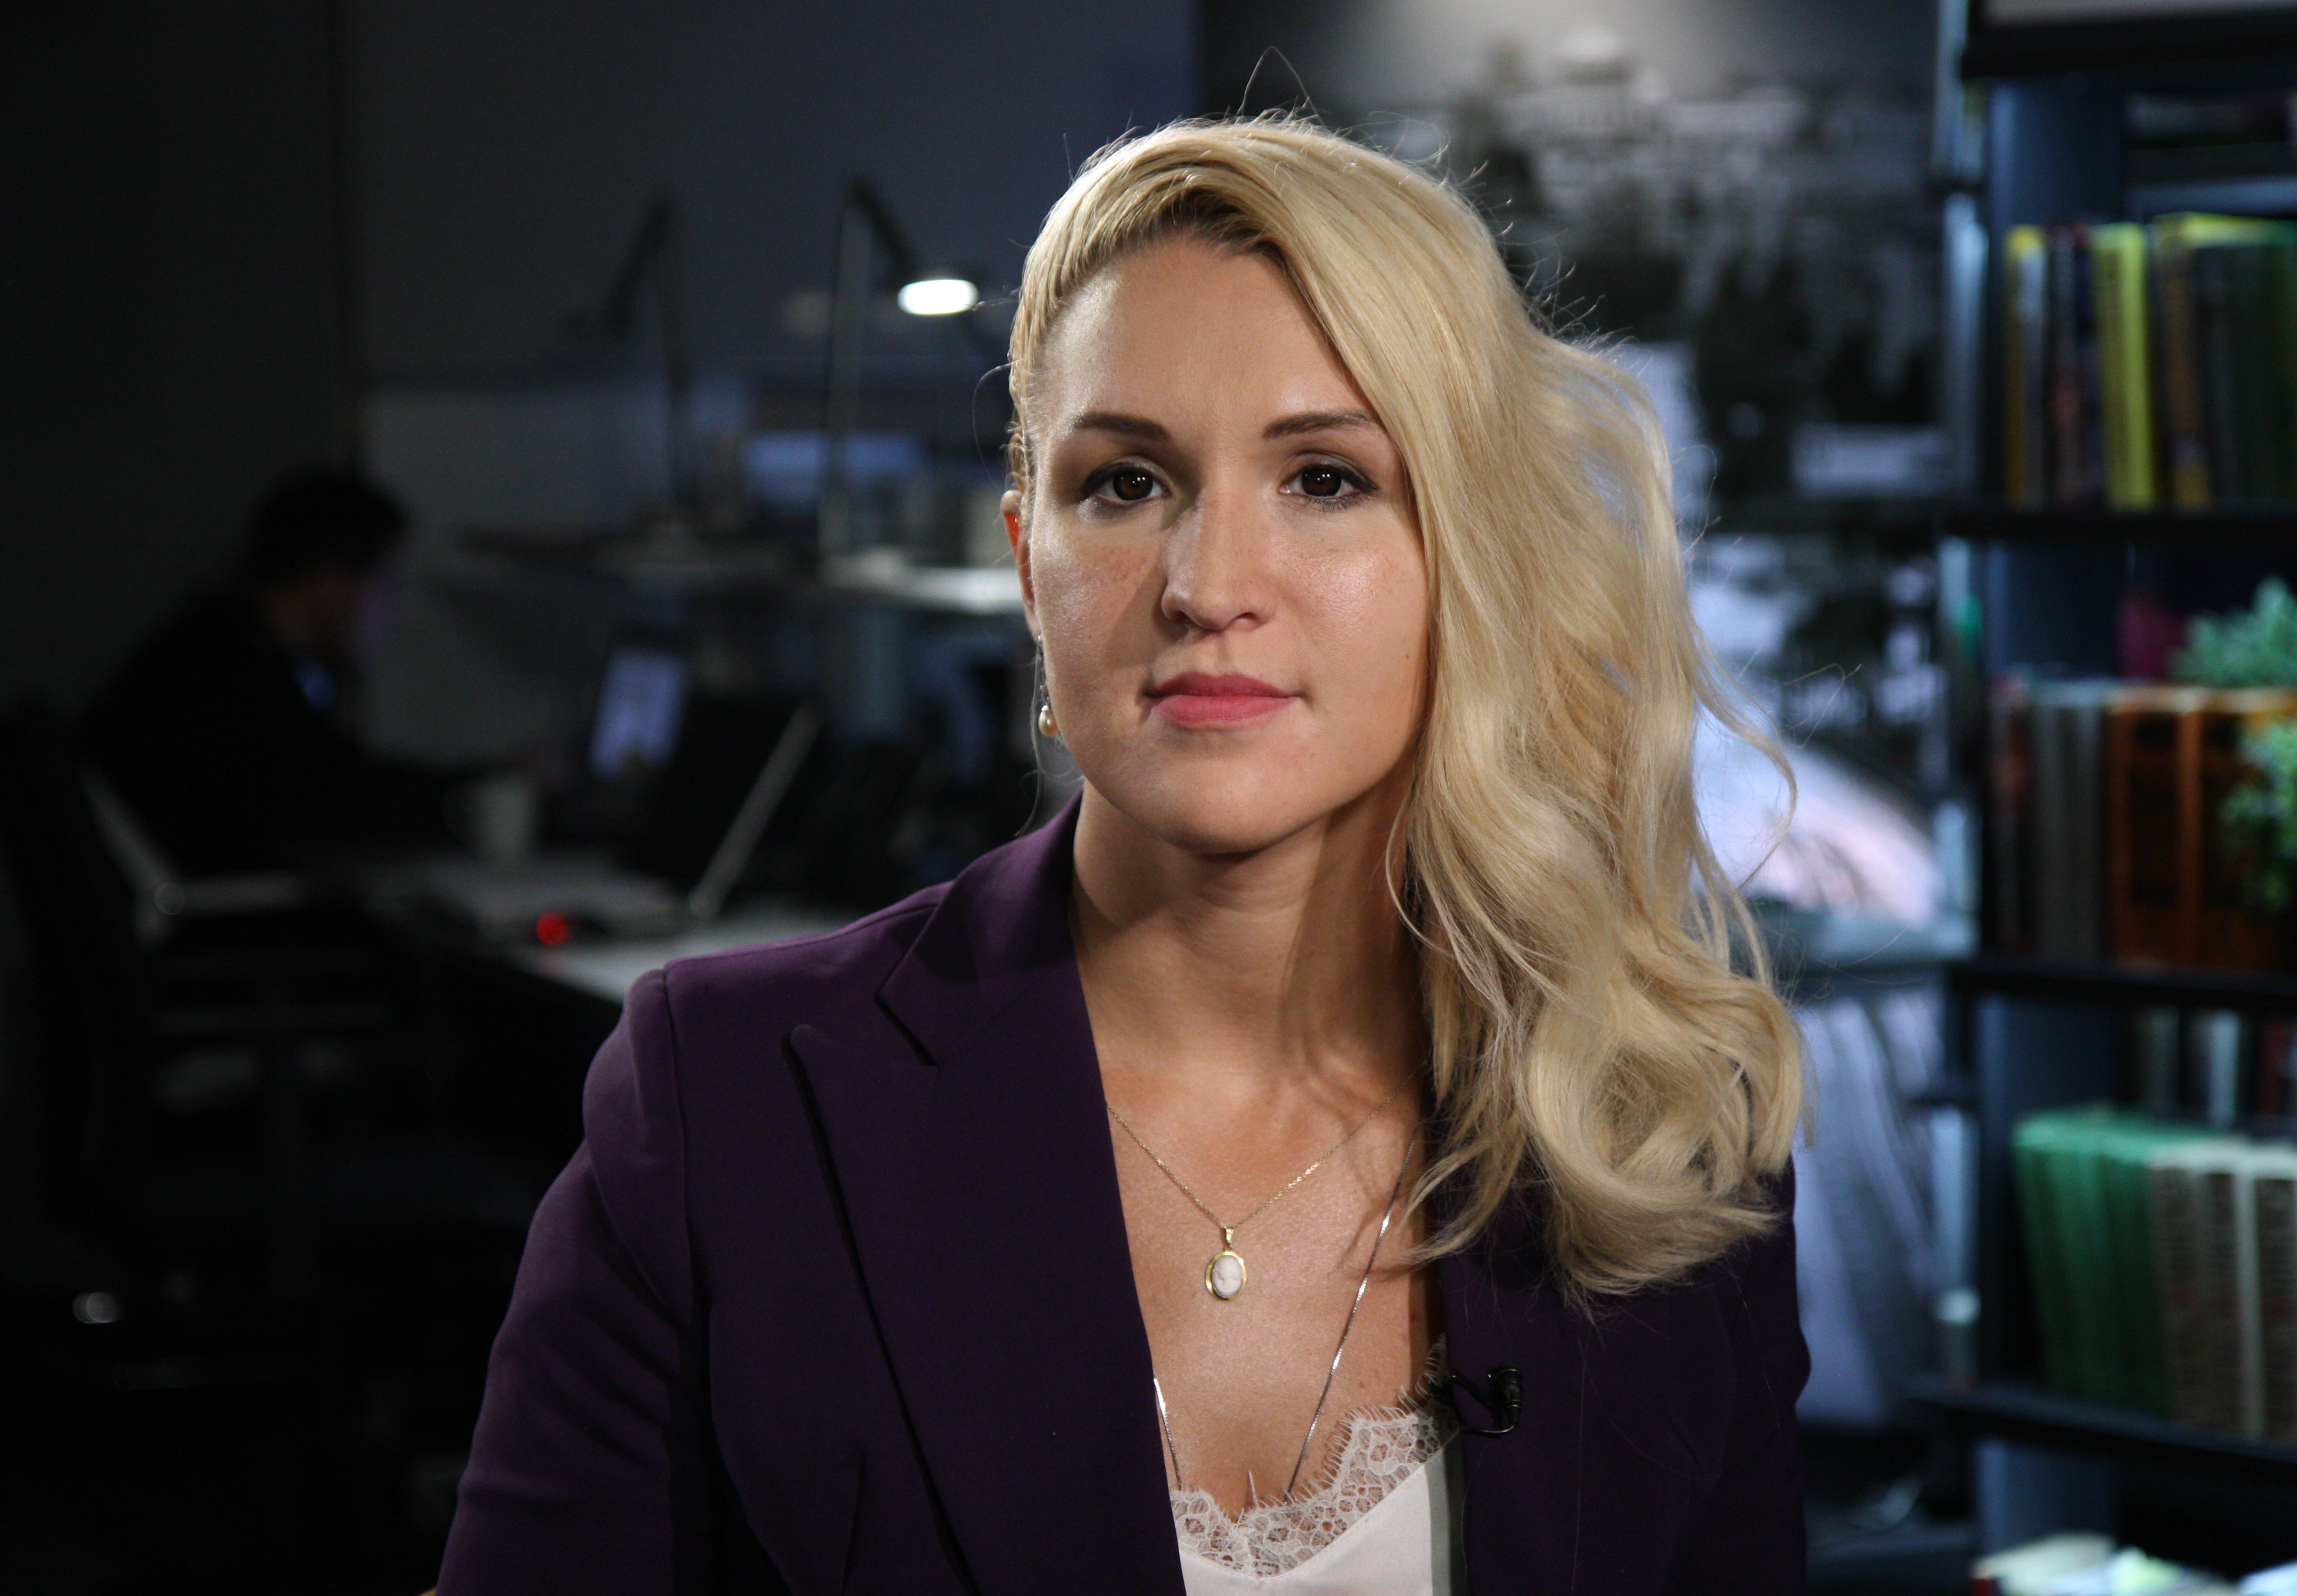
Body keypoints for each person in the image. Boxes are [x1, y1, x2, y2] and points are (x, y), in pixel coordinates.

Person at [437, 115, 1808, 1595]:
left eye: (1325, 479)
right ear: (1029, 562)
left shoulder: (1665, 1128)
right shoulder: (724, 1104)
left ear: (1469, 557)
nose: (1209, 586)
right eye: (1126, 484)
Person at [80, 468, 462, 874]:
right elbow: (330, 798)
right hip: (205, 901)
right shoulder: (226, 674)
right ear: (328, 581)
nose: (391, 609)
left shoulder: (226, 646)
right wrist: (472, 798)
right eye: (385, 582)